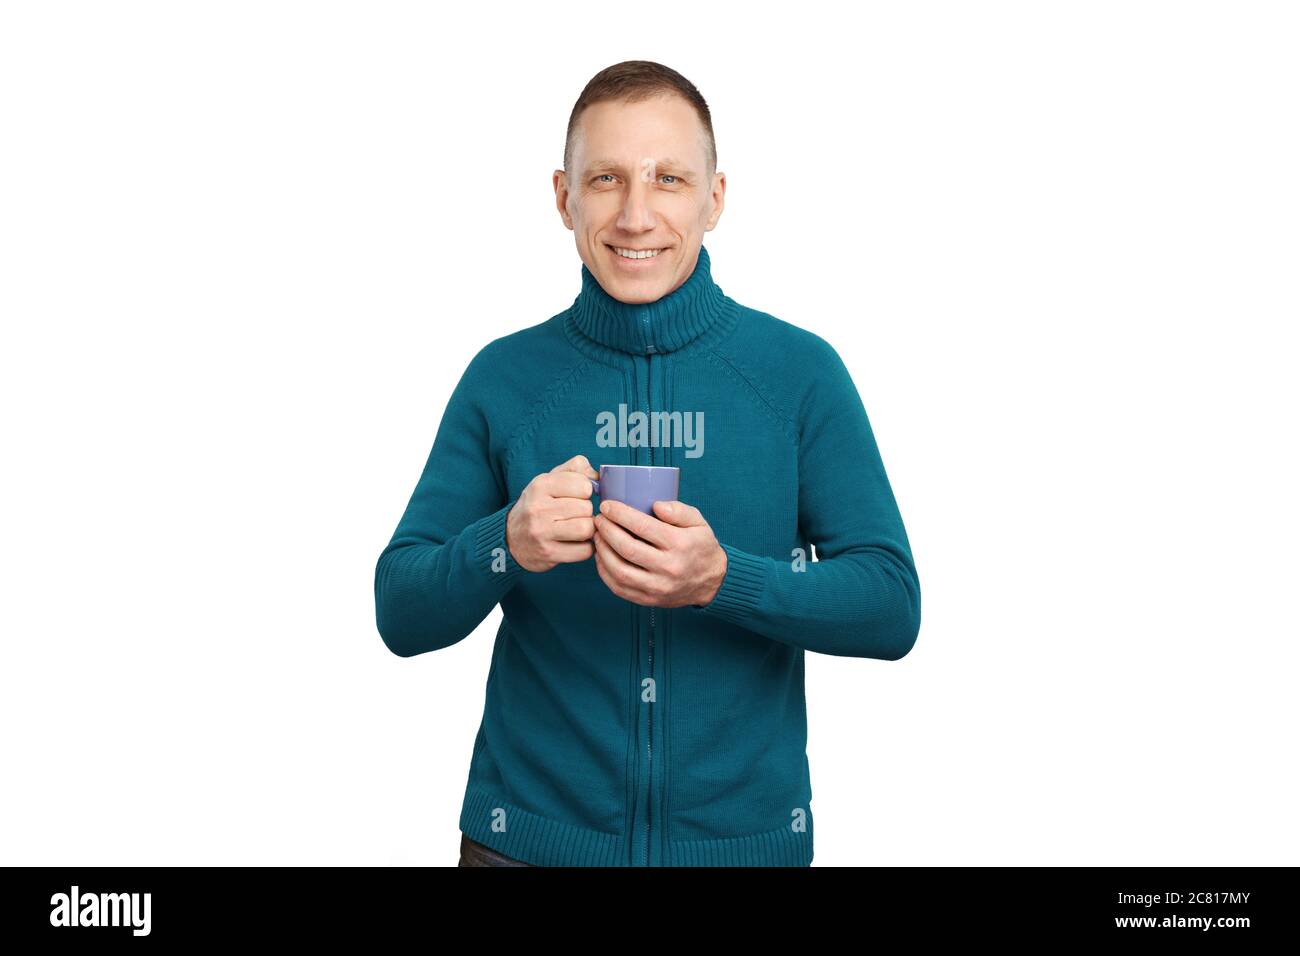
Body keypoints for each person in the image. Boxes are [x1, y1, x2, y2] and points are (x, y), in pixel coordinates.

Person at [374, 60, 921, 867]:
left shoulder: (798, 375)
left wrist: (724, 579)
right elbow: (401, 611)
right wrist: (505, 541)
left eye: (668, 178)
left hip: (744, 852)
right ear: (564, 197)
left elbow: (890, 604)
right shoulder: (503, 378)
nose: (636, 215)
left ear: (716, 197)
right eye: (606, 179)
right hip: (523, 847)